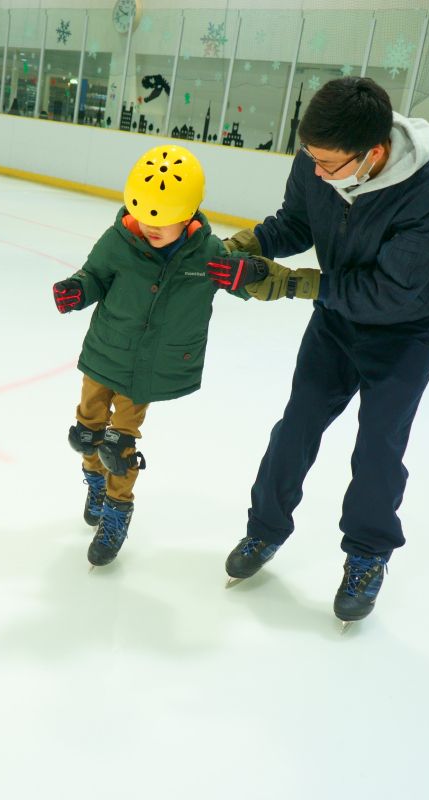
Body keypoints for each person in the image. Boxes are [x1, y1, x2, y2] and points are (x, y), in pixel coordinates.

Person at [206, 77, 429, 625]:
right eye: (310, 159)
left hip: (405, 332)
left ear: (373, 153)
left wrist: (294, 284)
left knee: (378, 446)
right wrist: (247, 246)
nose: (317, 173)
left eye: (327, 164)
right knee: (296, 425)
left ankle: (367, 555)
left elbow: (392, 292)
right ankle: (264, 532)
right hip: (335, 319)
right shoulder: (318, 158)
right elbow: (296, 222)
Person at [53, 144, 267, 567]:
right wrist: (78, 290)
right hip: (105, 354)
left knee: (119, 445)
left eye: (163, 219)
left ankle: (117, 508)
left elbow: (242, 282)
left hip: (145, 370)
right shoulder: (118, 240)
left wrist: (251, 272)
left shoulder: (206, 254)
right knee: (87, 433)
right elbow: (94, 275)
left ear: (187, 213)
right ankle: (94, 479)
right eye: (144, 214)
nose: (150, 227)